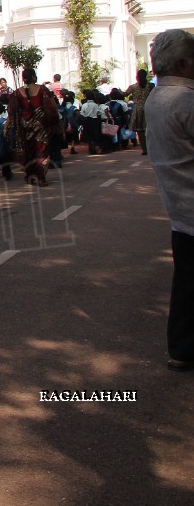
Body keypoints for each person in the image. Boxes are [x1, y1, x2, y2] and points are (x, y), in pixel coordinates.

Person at [144, 29, 194, 372]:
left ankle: (182, 349)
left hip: (180, 209)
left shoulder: (156, 98)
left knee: (187, 284)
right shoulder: (185, 101)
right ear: (181, 63)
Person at [9, 68, 61, 186]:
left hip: (24, 128)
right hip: (41, 127)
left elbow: (12, 112)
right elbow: (53, 106)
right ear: (34, 77)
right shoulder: (42, 89)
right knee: (41, 152)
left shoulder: (17, 93)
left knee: (28, 152)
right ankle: (40, 177)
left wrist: (7, 127)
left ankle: (30, 176)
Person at [125, 69, 154, 154]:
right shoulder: (150, 85)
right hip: (149, 107)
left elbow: (124, 94)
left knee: (140, 130)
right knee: (150, 129)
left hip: (138, 109)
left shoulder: (133, 87)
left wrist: (117, 91)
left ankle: (144, 149)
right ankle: (151, 148)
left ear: (137, 76)